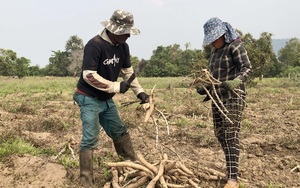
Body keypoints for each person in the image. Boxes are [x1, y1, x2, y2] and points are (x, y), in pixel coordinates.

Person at [73, 10, 149, 187]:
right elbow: (88, 75)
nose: (128, 35)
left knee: (119, 131)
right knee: (90, 138)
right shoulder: (95, 45)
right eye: (125, 32)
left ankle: (132, 168)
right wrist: (115, 86)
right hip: (88, 97)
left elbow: (127, 72)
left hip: (106, 99)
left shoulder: (123, 47)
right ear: (113, 30)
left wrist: (140, 92)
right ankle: (86, 181)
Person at [197, 17, 253, 188]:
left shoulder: (235, 46)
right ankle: (231, 169)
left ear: (222, 34)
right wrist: (205, 87)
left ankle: (233, 179)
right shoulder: (214, 52)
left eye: (215, 38)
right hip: (217, 97)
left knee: (230, 134)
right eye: (211, 40)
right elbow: (213, 77)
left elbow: (247, 68)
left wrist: (235, 82)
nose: (213, 42)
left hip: (234, 96)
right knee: (220, 134)